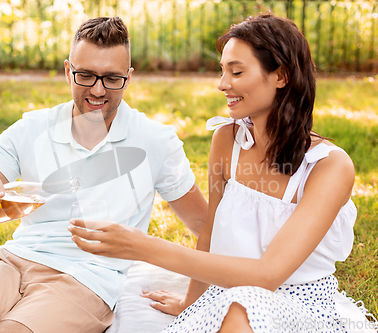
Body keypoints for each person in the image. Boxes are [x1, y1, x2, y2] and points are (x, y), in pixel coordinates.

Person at [0, 17, 207, 333]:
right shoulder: (31, 129)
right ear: (68, 71)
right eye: (86, 75)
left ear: (129, 78)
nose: (98, 90)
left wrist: (193, 298)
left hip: (85, 279)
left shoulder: (155, 141)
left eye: (112, 78)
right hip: (12, 261)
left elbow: (205, 224)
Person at [69, 13, 357, 333]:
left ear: (281, 76)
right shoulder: (227, 140)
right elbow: (210, 232)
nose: (222, 84)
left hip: (299, 303)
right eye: (223, 71)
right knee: (236, 307)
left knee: (241, 310)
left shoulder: (329, 167)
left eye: (236, 71)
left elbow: (268, 275)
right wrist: (191, 301)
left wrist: (142, 247)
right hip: (227, 291)